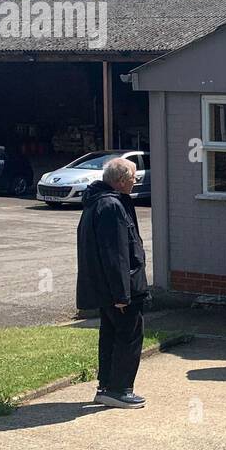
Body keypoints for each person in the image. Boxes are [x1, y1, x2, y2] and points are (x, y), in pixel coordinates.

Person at [76, 157, 148, 408]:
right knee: (129, 335)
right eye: (132, 178)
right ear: (119, 181)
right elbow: (115, 253)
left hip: (111, 288)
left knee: (111, 334)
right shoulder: (110, 206)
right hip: (120, 289)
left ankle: (107, 386)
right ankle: (119, 389)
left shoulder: (100, 202)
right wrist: (121, 295)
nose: (135, 182)